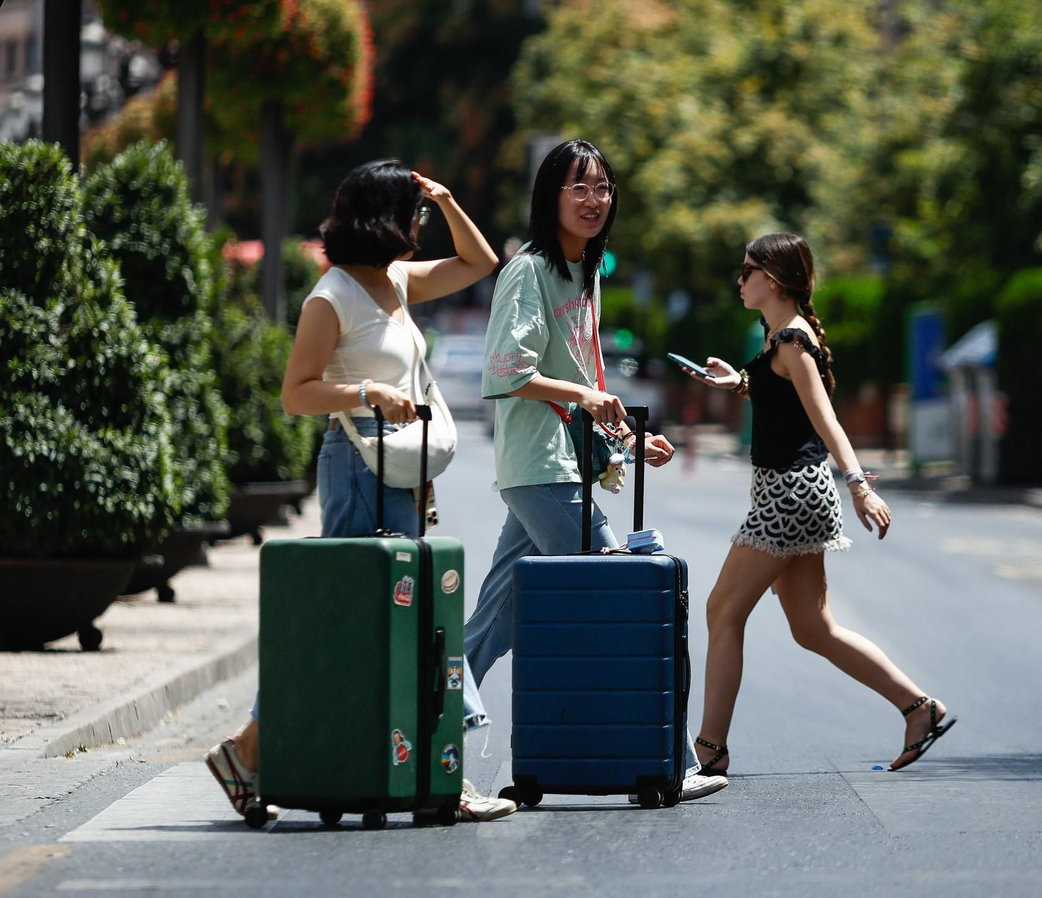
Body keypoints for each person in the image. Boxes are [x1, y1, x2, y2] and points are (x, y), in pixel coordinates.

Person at [204, 159, 516, 822]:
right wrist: (367, 392)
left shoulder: (396, 280)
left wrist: (447, 198)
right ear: (386, 218)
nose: (421, 222)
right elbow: (296, 394)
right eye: (415, 213)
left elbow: (480, 263)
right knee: (369, 615)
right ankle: (441, 777)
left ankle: (251, 751)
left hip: (396, 468)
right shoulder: (334, 295)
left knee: (358, 619)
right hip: (355, 466)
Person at [465, 139, 729, 803]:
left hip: (557, 468)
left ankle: (415, 730)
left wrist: (628, 442)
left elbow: (584, 381)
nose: (593, 200)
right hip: (541, 468)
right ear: (550, 197)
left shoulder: (586, 274)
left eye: (603, 188)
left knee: (492, 626)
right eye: (578, 187)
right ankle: (666, 764)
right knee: (626, 598)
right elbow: (507, 371)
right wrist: (585, 398)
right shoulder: (528, 271)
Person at [679, 232, 956, 774]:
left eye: (747, 271)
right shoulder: (780, 338)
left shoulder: (791, 340)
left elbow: (825, 418)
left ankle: (710, 750)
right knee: (813, 627)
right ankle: (918, 707)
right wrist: (739, 384)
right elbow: (787, 404)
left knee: (722, 610)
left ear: (773, 280)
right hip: (790, 490)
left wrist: (860, 485)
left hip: (790, 493)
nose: (739, 280)